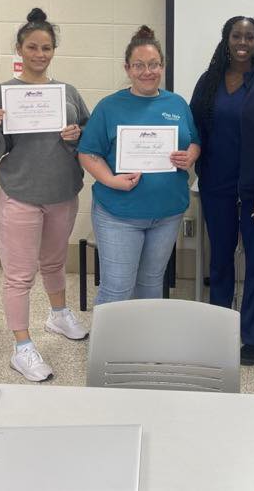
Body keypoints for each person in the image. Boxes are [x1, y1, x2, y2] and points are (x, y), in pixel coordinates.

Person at [0, 8, 90, 382]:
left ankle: (58, 316)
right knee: (19, 275)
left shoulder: (68, 92)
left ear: (54, 51)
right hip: (21, 193)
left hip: (62, 192)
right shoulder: (4, 92)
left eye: (46, 48)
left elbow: (88, 139)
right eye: (32, 47)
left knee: (55, 263)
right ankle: (22, 347)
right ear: (20, 49)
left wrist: (77, 136)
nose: (39, 54)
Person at [190, 16, 254, 366]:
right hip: (216, 186)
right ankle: (220, 330)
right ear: (226, 40)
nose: (242, 41)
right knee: (219, 259)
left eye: (250, 36)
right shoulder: (209, 81)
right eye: (236, 35)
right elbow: (194, 129)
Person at [78, 26, 200, 304]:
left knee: (151, 284)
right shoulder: (109, 107)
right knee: (118, 288)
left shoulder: (177, 103)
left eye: (154, 64)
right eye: (139, 65)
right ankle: (108, 348)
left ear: (163, 66)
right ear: (127, 68)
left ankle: (143, 344)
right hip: (119, 214)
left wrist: (191, 154)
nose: (148, 71)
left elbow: (195, 141)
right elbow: (87, 153)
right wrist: (111, 180)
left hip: (167, 214)